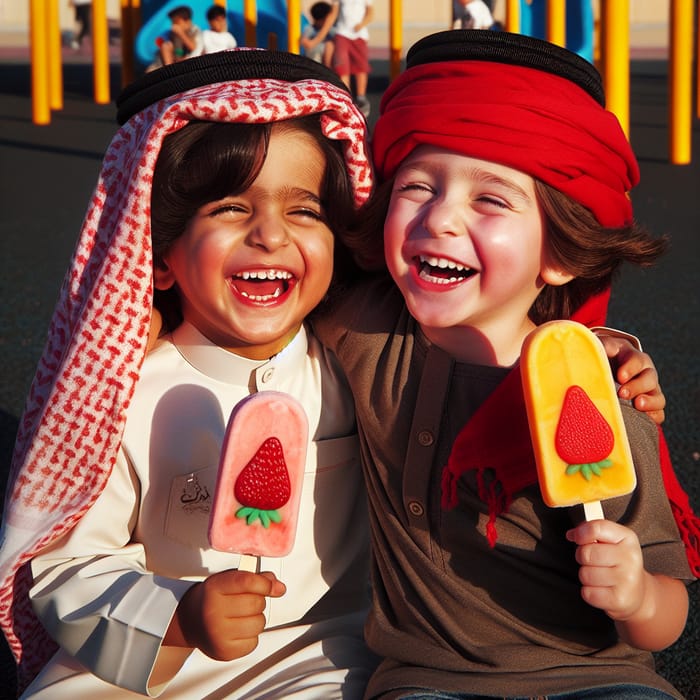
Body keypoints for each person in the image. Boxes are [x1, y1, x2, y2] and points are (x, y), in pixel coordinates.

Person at [313, 30, 700, 699]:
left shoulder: (598, 395)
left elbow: (666, 623)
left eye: (490, 199)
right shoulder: (362, 329)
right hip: (426, 681)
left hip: (597, 679)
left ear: (564, 255)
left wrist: (636, 596)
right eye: (417, 186)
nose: (441, 219)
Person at [0, 49, 377, 698]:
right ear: (162, 257)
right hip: (149, 659)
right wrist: (178, 616)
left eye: (304, 211)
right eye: (231, 208)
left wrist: (608, 348)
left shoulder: (360, 370)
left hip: (316, 653)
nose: (269, 235)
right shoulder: (118, 397)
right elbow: (71, 567)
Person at [323, 0, 374, 118]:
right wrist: (320, 35)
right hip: (342, 33)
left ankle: (361, 96)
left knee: (361, 65)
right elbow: (333, 13)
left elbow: (370, 12)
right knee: (342, 64)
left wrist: (362, 24)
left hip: (359, 34)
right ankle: (347, 95)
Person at [149, 5, 203, 71]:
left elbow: (194, 48)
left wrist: (181, 34)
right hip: (172, 62)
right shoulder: (171, 33)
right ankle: (168, 71)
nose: (174, 25)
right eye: (172, 22)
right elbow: (158, 42)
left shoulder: (195, 30)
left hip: (189, 63)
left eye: (176, 22)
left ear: (187, 21)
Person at [301, 1, 336, 67]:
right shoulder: (310, 29)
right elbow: (304, 42)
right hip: (315, 58)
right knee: (329, 45)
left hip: (327, 58)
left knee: (330, 45)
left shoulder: (332, 30)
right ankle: (327, 71)